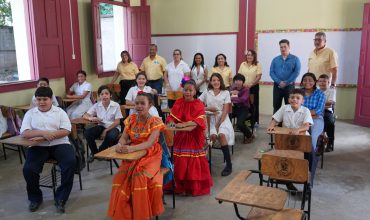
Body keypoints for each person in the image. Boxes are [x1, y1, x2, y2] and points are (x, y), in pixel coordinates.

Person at [107, 92, 165, 220]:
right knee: (119, 178)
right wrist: (119, 145)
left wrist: (130, 148)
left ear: (150, 105)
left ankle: (141, 214)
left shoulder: (156, 121)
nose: (138, 106)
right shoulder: (131, 119)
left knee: (139, 178)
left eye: (142, 103)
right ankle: (126, 214)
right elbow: (123, 137)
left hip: (151, 154)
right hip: (133, 153)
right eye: (137, 103)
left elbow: (149, 143)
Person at [21, 87, 76, 213]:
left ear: (51, 99)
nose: (41, 102)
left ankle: (61, 198)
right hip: (38, 146)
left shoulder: (60, 112)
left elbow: (66, 130)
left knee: (70, 163)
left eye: (45, 99)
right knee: (28, 169)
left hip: (60, 143)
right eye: (38, 99)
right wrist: (43, 134)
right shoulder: (31, 113)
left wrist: (49, 135)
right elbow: (25, 132)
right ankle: (35, 198)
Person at [166, 79, 213, 196]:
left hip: (194, 136)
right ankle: (179, 185)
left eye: (190, 90)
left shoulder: (198, 104)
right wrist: (172, 123)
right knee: (179, 160)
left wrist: (184, 124)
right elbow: (171, 118)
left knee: (192, 159)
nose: (187, 92)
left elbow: (198, 122)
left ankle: (192, 187)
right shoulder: (178, 102)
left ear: (195, 91)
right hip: (181, 135)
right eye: (185, 90)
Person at [267, 88, 313, 191]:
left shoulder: (305, 110)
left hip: (302, 140)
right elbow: (275, 119)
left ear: (302, 101)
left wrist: (298, 130)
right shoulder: (284, 108)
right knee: (286, 160)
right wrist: (271, 125)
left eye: (298, 98)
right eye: (292, 97)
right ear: (288, 99)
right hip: (286, 139)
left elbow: (306, 126)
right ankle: (288, 182)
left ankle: (307, 184)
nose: (294, 100)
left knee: (307, 158)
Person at [199, 73, 234, 176]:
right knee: (212, 137)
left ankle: (229, 165)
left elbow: (226, 110)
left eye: (218, 80)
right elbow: (197, 105)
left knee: (221, 135)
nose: (216, 82)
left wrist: (218, 124)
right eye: (213, 80)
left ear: (221, 81)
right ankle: (204, 162)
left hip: (223, 119)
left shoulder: (226, 92)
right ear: (210, 82)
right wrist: (208, 108)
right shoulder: (207, 92)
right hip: (209, 118)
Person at [83, 85, 123, 163]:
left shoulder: (116, 105)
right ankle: (95, 153)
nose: (104, 96)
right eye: (102, 94)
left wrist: (105, 131)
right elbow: (85, 115)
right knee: (87, 133)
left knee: (111, 136)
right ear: (99, 96)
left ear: (110, 95)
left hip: (113, 127)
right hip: (101, 126)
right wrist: (91, 118)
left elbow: (117, 122)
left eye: (106, 93)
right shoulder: (97, 105)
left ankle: (101, 151)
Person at [301, 72, 325, 185]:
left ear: (315, 82)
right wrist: (309, 114)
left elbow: (319, 110)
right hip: (300, 119)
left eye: (310, 80)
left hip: (316, 120)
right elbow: (293, 107)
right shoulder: (298, 92)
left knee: (311, 140)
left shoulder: (320, 93)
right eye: (305, 80)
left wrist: (305, 113)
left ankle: (310, 176)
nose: (307, 82)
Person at [270, 39, 301, 113]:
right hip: (277, 86)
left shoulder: (295, 59)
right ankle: (276, 123)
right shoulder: (275, 59)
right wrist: (279, 82)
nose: (283, 49)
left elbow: (296, 72)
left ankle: (288, 123)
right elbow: (271, 72)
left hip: (289, 87)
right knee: (276, 106)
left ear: (289, 47)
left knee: (290, 105)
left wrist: (286, 82)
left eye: (285, 47)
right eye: (281, 47)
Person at [238, 49, 262, 125]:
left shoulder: (257, 64)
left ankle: (254, 122)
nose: (249, 56)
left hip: (253, 88)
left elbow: (258, 76)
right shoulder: (243, 64)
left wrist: (251, 84)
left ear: (254, 56)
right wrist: (242, 84)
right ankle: (245, 122)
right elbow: (239, 76)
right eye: (248, 55)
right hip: (243, 88)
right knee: (244, 105)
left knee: (253, 105)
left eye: (251, 55)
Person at [230, 74, 254, 143]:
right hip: (234, 107)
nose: (238, 82)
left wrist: (236, 95)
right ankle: (230, 136)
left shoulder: (246, 89)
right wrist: (232, 95)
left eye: (240, 80)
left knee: (239, 124)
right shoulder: (233, 89)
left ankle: (250, 135)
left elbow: (243, 99)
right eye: (236, 80)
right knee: (226, 119)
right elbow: (228, 98)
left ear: (243, 82)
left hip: (244, 108)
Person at [317, 74, 336, 152]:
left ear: (328, 82)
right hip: (317, 111)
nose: (322, 83)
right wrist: (324, 103)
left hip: (327, 111)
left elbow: (330, 104)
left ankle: (330, 142)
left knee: (330, 123)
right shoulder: (316, 91)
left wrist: (319, 104)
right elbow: (326, 103)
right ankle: (316, 141)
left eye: (324, 81)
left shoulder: (332, 91)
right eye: (320, 81)